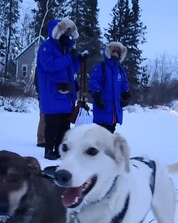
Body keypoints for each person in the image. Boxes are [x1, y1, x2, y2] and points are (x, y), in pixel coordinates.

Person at [36, 18, 81, 160]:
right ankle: (49, 150)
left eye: (67, 34)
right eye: (63, 33)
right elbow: (49, 65)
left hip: (66, 94)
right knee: (52, 125)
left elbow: (74, 69)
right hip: (52, 93)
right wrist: (68, 58)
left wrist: (77, 58)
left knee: (64, 127)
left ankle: (60, 150)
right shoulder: (46, 47)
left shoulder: (66, 49)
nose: (66, 36)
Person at [89, 41, 130, 133]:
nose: (115, 53)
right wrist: (97, 94)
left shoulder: (120, 69)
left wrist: (126, 93)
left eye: (117, 52)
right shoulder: (101, 66)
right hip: (103, 106)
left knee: (110, 134)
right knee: (101, 135)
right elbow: (94, 81)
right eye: (113, 51)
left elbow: (124, 84)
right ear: (109, 52)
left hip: (114, 110)